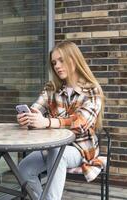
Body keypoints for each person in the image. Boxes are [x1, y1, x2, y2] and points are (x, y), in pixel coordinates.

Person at [17, 41, 105, 200]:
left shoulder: (92, 90)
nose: (57, 65)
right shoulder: (52, 88)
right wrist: (28, 116)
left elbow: (81, 123)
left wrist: (47, 122)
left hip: (80, 149)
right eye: (54, 62)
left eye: (61, 60)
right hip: (50, 147)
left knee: (58, 151)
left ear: (74, 59)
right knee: (23, 169)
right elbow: (37, 107)